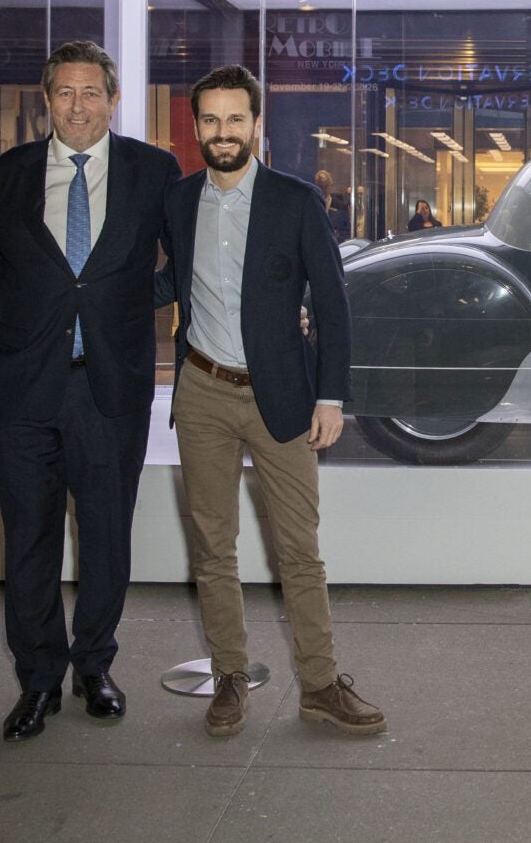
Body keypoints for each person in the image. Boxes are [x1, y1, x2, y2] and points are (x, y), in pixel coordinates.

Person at [163, 64, 385, 739]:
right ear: (196, 126)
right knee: (213, 546)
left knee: (299, 549)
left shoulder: (295, 200)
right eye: (211, 119)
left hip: (282, 396)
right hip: (202, 392)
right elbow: (169, 283)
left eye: (236, 118)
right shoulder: (178, 201)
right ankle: (230, 676)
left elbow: (333, 304)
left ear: (257, 125)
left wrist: (331, 395)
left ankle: (319, 684)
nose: (223, 131)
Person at [0, 40, 181, 741]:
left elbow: (183, 264)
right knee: (28, 541)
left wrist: (127, 302)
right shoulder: (6, 175)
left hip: (110, 388)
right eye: (64, 92)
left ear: (114, 99)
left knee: (105, 537)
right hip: (24, 389)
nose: (77, 106)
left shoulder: (153, 171)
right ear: (47, 99)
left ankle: (94, 665)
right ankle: (38, 679)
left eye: (91, 92)